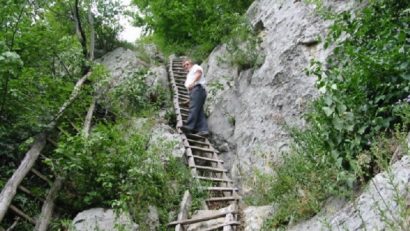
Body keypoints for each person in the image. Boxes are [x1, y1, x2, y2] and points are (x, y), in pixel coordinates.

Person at [179, 59, 209, 136]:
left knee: (193, 108)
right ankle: (204, 130)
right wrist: (189, 99)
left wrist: (192, 83)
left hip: (198, 89)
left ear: (191, 64)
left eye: (187, 64)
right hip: (195, 92)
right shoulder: (188, 75)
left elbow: (199, 73)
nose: (186, 66)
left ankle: (189, 127)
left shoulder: (195, 67)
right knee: (199, 111)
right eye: (184, 66)